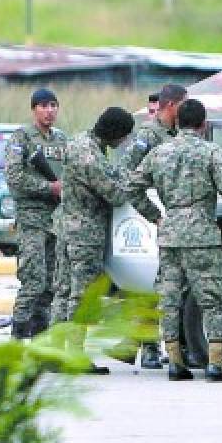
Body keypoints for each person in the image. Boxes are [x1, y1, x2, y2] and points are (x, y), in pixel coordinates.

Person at [126, 99, 222, 381]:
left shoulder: (159, 152)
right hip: (202, 236)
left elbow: (131, 186)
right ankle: (216, 364)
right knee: (213, 299)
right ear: (203, 123)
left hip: (170, 234)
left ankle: (174, 363)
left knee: (169, 299)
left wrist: (155, 216)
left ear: (178, 121)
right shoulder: (210, 151)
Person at [52, 107, 158, 374]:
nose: (123, 142)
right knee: (81, 296)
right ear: (113, 133)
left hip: (67, 230)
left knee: (63, 293)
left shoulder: (79, 142)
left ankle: (52, 353)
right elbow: (116, 195)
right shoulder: (91, 157)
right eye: (122, 136)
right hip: (85, 235)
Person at [118, 83, 191, 370]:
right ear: (172, 105)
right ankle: (148, 347)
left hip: (176, 218)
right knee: (154, 281)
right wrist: (151, 212)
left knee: (175, 283)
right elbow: (127, 174)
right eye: (184, 104)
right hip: (153, 217)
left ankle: (178, 345)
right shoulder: (148, 137)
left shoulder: (178, 135)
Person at [4, 88, 68, 339]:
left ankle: (41, 338)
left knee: (52, 284)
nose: (49, 111)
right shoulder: (22, 138)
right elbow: (14, 177)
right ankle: (18, 336)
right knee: (33, 281)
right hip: (32, 218)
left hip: (56, 220)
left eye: (53, 105)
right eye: (43, 106)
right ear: (34, 109)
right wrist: (49, 187)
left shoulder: (61, 139)